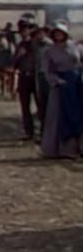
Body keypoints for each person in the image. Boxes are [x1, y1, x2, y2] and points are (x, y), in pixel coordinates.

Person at [40, 23, 83, 159]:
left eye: (61, 33)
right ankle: (64, 148)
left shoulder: (76, 46)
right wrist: (57, 81)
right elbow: (47, 70)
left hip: (77, 83)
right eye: (56, 33)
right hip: (62, 86)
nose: (59, 36)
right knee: (62, 116)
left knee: (80, 114)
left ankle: (80, 147)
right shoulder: (49, 51)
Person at [13, 21, 43, 141]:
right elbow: (14, 63)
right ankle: (28, 132)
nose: (24, 33)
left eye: (26, 30)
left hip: (35, 76)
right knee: (25, 106)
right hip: (24, 76)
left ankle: (42, 132)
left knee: (40, 105)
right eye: (22, 31)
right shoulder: (20, 45)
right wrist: (19, 56)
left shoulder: (37, 44)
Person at [31, 26, 53, 135]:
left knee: (51, 105)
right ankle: (43, 131)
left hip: (49, 76)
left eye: (41, 33)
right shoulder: (35, 45)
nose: (39, 36)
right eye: (37, 34)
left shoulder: (51, 46)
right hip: (40, 76)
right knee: (42, 105)